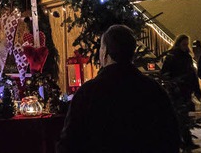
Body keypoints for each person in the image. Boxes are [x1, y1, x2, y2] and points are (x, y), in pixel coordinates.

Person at [56, 25, 180, 153]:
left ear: (105, 52)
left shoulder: (88, 93)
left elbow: (70, 142)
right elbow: (170, 136)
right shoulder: (153, 90)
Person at [161, 34, 201, 151]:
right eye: (183, 44)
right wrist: (173, 85)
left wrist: (197, 91)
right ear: (178, 44)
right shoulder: (171, 57)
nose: (185, 46)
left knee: (183, 117)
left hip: (186, 91)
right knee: (181, 117)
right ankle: (185, 142)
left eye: (186, 44)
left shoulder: (187, 57)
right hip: (177, 92)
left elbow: (192, 75)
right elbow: (165, 74)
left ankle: (184, 142)